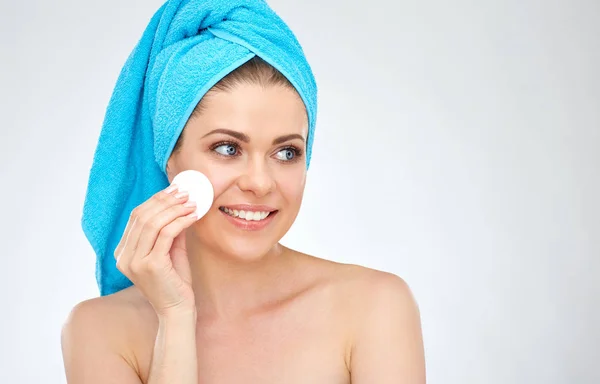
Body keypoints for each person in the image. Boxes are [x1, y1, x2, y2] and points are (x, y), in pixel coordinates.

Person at [61, 3, 425, 384]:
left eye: (286, 153)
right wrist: (175, 317)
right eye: (227, 148)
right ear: (169, 157)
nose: (260, 182)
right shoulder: (99, 331)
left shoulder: (374, 307)